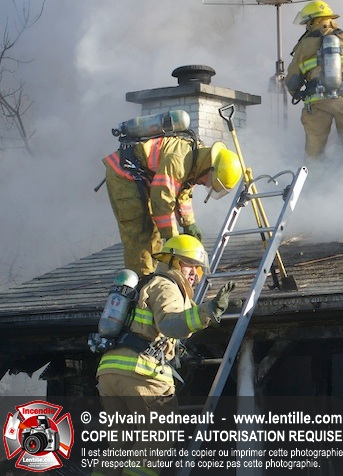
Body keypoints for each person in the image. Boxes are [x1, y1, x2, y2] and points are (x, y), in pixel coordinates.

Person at [93, 234, 235, 476]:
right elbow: (171, 324)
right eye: (189, 264)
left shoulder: (148, 284)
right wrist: (209, 311)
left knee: (120, 445)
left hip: (110, 373)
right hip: (141, 374)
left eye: (198, 268)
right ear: (172, 261)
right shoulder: (167, 286)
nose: (194, 273)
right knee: (157, 438)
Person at [103, 137, 242, 276]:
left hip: (141, 178)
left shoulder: (195, 161)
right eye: (210, 181)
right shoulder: (178, 160)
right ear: (209, 168)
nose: (206, 184)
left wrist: (189, 224)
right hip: (123, 175)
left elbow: (182, 195)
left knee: (155, 234)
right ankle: (141, 280)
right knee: (140, 232)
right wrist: (173, 237)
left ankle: (154, 276)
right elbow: (163, 200)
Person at [286, 0, 343, 159]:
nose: (307, 27)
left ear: (314, 21)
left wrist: (297, 93)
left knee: (314, 151)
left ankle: (314, 175)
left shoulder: (304, 46)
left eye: (307, 23)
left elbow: (292, 81)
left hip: (317, 102)